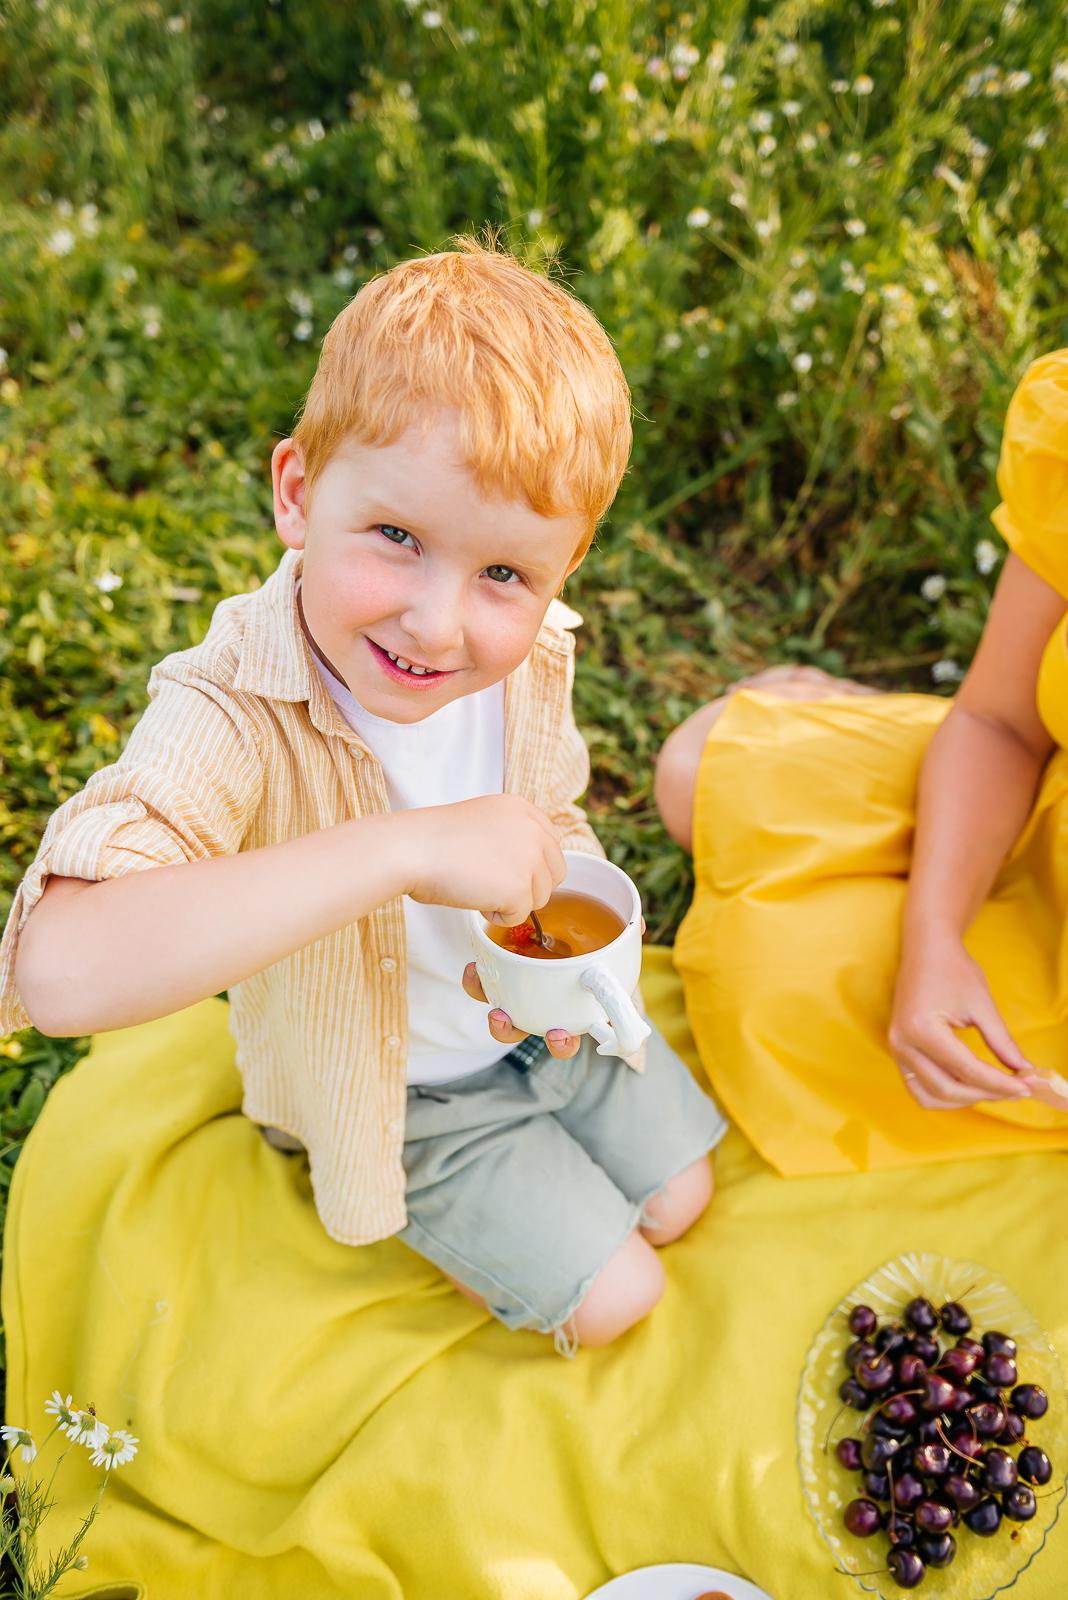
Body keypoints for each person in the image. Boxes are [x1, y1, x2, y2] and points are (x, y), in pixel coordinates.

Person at [0, 236, 726, 1355]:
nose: (437, 623)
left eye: (504, 575)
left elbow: (554, 812)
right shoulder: (231, 707)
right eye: (397, 537)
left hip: (527, 1021)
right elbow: (56, 968)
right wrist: (400, 848)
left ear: (559, 572)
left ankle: (548, 1174)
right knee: (624, 1295)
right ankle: (479, 1210)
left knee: (686, 1195)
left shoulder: (527, 660)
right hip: (394, 1091)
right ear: (298, 492)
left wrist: (550, 956)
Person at [654, 348, 1068, 1176]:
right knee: (697, 771)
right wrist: (935, 939)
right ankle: (853, 713)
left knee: (777, 992)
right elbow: (1000, 722)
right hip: (1042, 823)